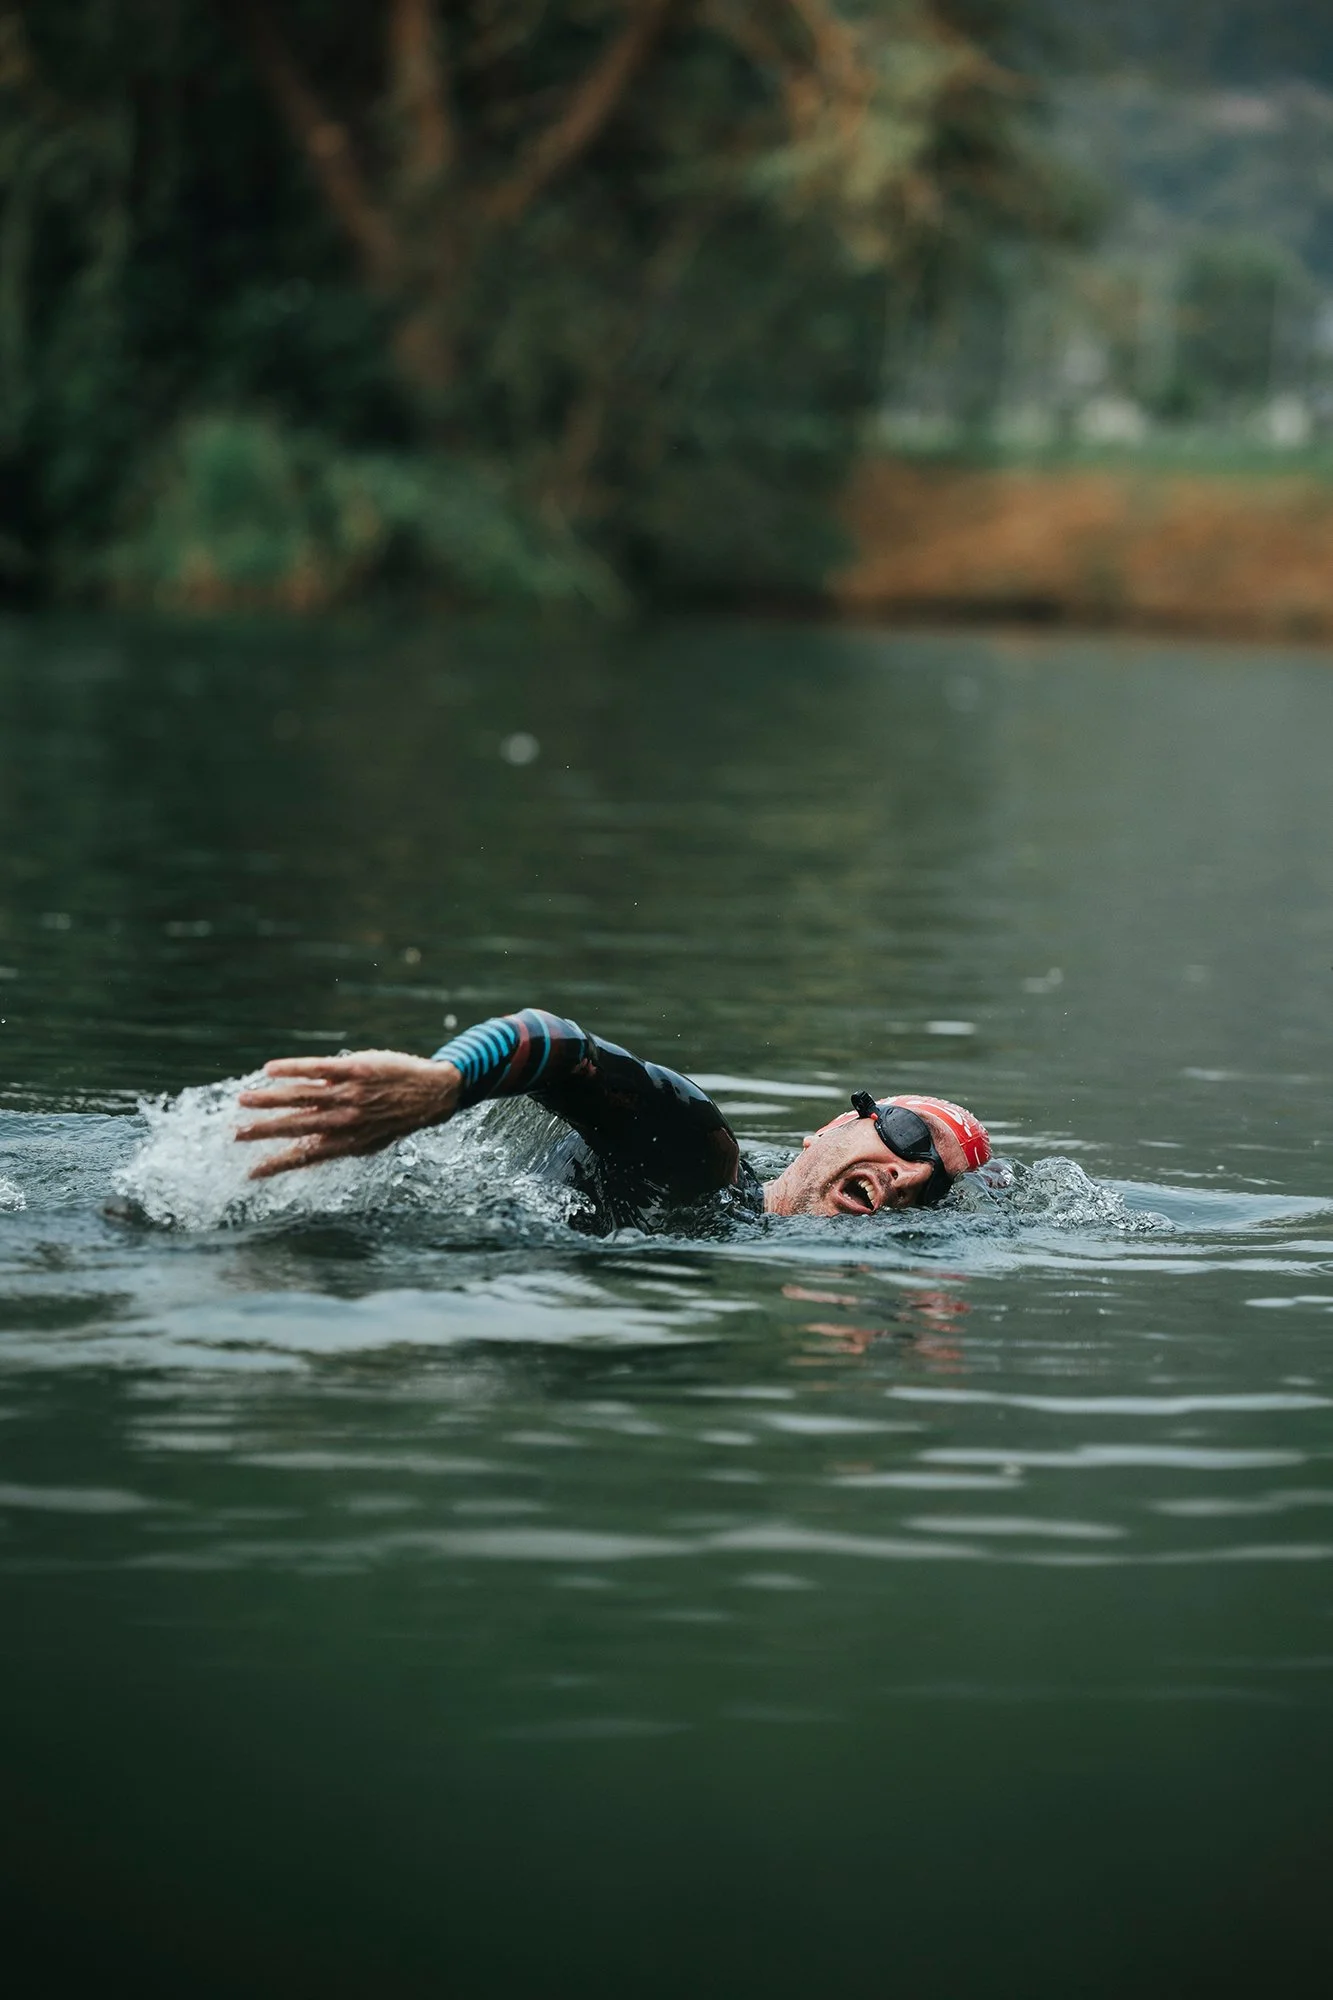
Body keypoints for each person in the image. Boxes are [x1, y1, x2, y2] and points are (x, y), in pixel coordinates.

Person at [236, 1005, 991, 1232]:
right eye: (906, 1138)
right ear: (832, 1127)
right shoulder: (703, 1156)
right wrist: (444, 1083)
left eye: (932, 1190)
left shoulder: (729, 1222)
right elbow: (561, 1045)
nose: (909, 1175)